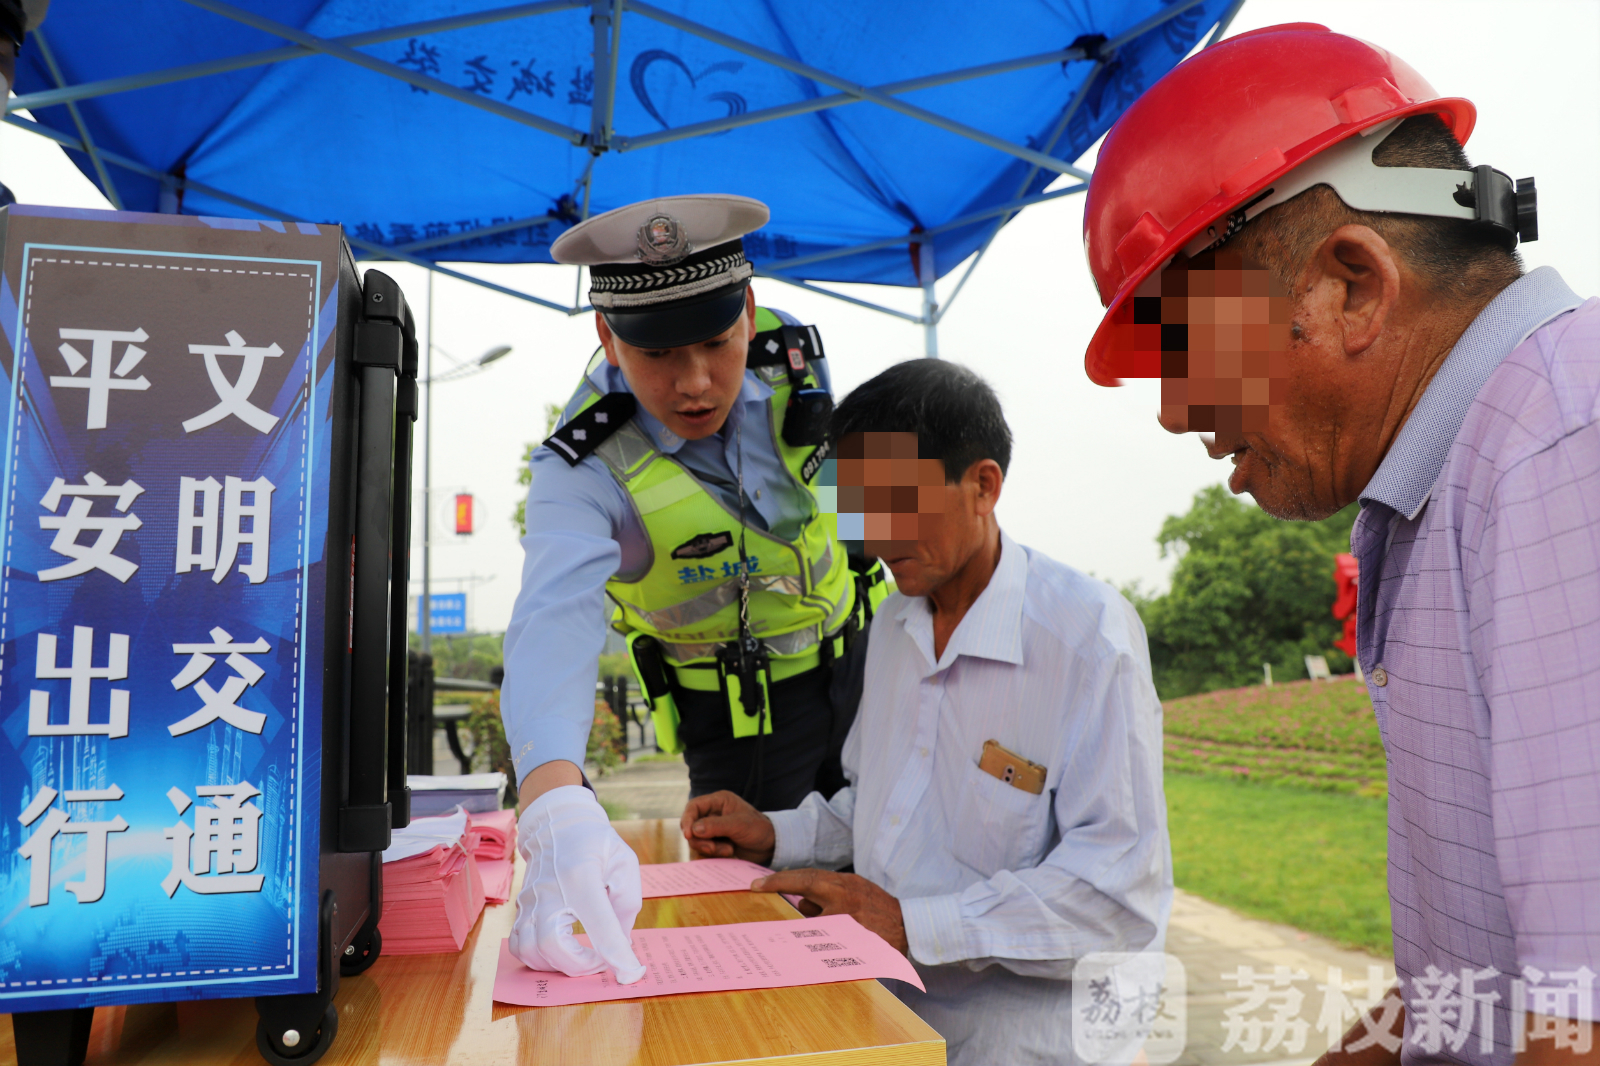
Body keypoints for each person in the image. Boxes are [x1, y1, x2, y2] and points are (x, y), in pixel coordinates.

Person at [1079, 24, 1599, 1066]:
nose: (1176, 411)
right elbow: (1470, 984)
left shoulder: (1558, 443)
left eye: (1182, 346)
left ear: (1352, 285)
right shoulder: (1449, 475)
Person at [680, 359, 1172, 1066]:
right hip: (887, 1000)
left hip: (1030, 1032)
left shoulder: (1087, 637)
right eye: (857, 507)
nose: (875, 537)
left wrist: (913, 923)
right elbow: (879, 804)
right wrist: (774, 834)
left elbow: (1116, 893)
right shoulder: (892, 625)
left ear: (983, 486)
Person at [502, 195, 884, 982]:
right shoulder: (583, 466)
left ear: (748, 309)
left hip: (862, 676)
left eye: (716, 341)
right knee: (765, 933)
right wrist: (552, 801)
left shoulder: (795, 361)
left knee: (890, 883)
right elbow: (552, 623)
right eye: (658, 355)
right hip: (739, 727)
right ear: (607, 337)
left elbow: (860, 502)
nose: (697, 382)